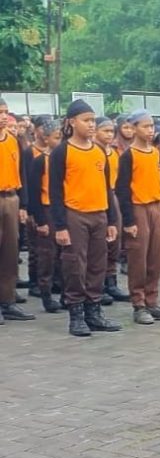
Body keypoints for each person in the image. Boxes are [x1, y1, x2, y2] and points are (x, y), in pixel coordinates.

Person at [50, 99, 120, 336]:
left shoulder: (99, 151)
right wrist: (60, 226)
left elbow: (106, 188)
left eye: (93, 120)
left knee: (97, 265)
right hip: (75, 215)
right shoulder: (62, 152)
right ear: (72, 122)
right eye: (86, 120)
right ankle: (76, 314)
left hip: (99, 214)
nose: (91, 125)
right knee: (75, 265)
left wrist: (111, 220)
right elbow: (55, 191)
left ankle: (94, 311)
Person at [115, 109, 160, 325]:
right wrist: (129, 220)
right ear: (134, 128)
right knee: (138, 258)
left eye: (152, 126)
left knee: (155, 257)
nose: (150, 131)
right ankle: (138, 304)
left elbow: (159, 183)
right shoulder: (128, 156)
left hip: (155, 207)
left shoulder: (155, 152)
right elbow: (122, 189)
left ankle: (152, 301)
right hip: (138, 208)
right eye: (145, 126)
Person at [0, 96, 34, 323]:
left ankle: (8, 300)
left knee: (10, 253)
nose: (3, 117)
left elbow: (22, 173)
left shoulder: (12, 140)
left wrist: (23, 204)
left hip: (11, 198)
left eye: (5, 112)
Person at [26, 117, 63, 314]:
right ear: (46, 138)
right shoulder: (40, 161)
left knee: (64, 255)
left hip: (63, 210)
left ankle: (65, 292)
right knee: (47, 255)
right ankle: (46, 294)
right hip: (47, 210)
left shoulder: (64, 159)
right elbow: (34, 192)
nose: (60, 141)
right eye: (56, 137)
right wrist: (40, 220)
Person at [95, 116, 131, 304]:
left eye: (111, 131)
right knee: (99, 244)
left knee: (114, 242)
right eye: (105, 131)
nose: (109, 135)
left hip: (114, 196)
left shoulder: (115, 153)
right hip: (98, 197)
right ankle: (97, 285)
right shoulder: (93, 152)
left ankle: (111, 281)